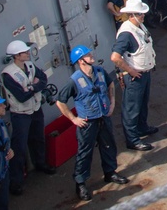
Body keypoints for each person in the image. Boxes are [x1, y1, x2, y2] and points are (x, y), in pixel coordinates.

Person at [55, 46, 130, 201]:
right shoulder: (74, 81)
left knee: (108, 145)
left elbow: (110, 85)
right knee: (85, 152)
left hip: (103, 117)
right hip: (87, 123)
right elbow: (60, 102)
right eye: (87, 55)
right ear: (81, 61)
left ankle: (110, 173)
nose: (91, 55)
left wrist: (112, 102)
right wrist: (73, 119)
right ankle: (81, 183)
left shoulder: (100, 71)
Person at [0, 41, 55, 196]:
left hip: (36, 109)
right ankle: (16, 181)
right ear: (17, 56)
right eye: (24, 52)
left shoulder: (30, 65)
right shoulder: (8, 74)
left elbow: (43, 79)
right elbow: (21, 96)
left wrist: (31, 87)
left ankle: (40, 163)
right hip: (21, 114)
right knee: (19, 147)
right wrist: (34, 86)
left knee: (38, 138)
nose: (28, 53)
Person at [109, 0, 158, 151]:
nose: (143, 16)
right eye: (140, 14)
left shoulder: (139, 26)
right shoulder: (126, 33)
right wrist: (130, 71)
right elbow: (115, 57)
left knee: (142, 103)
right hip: (134, 76)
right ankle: (132, 139)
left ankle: (142, 127)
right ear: (132, 15)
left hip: (144, 73)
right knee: (131, 108)